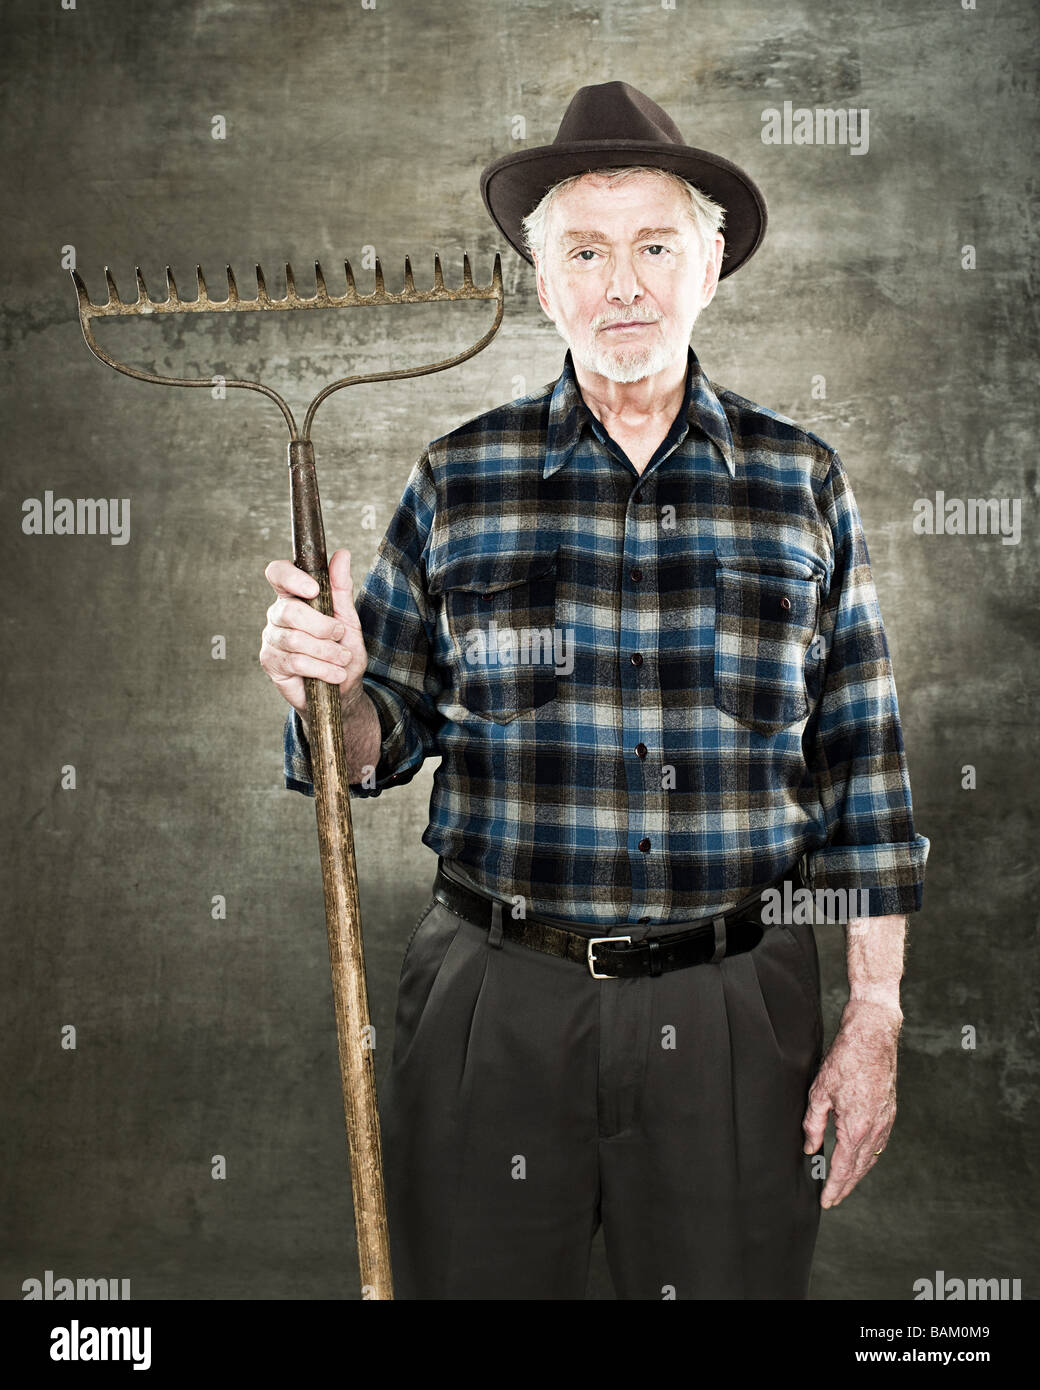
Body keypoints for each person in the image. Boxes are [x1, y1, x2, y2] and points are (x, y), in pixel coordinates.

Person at [259, 81, 929, 1300]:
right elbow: (371, 745)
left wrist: (873, 1015)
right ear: (541, 276)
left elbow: (863, 779)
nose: (620, 283)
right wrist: (333, 686)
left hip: (735, 1012)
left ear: (708, 265)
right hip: (493, 1004)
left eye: (652, 246)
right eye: (584, 251)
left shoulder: (799, 481)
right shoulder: (458, 477)